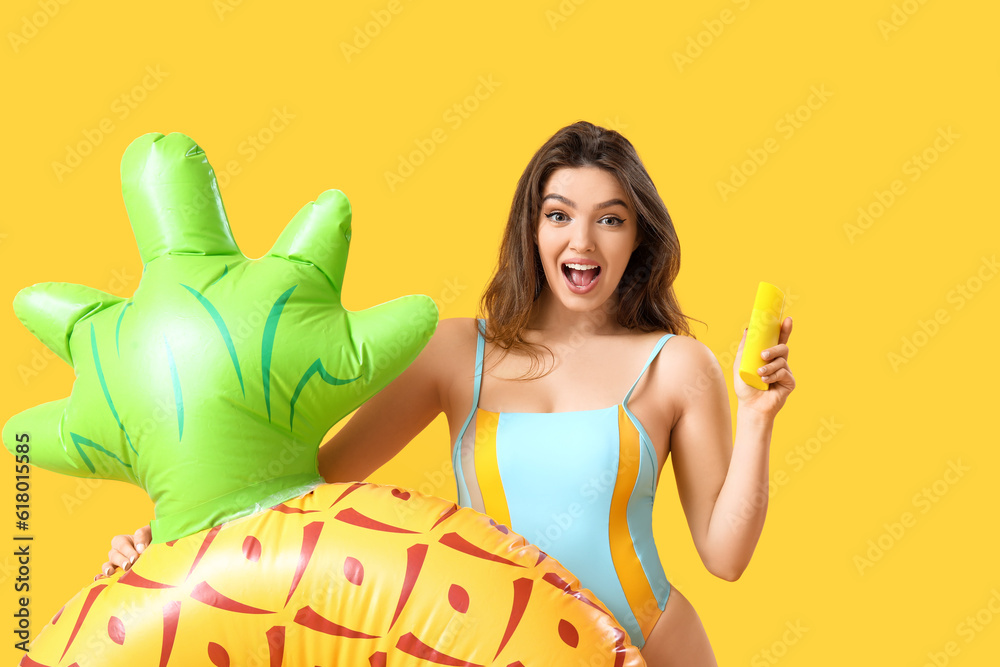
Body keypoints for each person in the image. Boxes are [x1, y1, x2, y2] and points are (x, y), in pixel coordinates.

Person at [102, 121, 795, 666]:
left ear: (638, 234)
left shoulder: (679, 365)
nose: (582, 240)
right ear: (532, 228)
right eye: (559, 214)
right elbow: (304, 496)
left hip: (653, 649)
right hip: (489, 649)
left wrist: (758, 414)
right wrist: (161, 542)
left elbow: (724, 557)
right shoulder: (458, 351)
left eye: (610, 219)